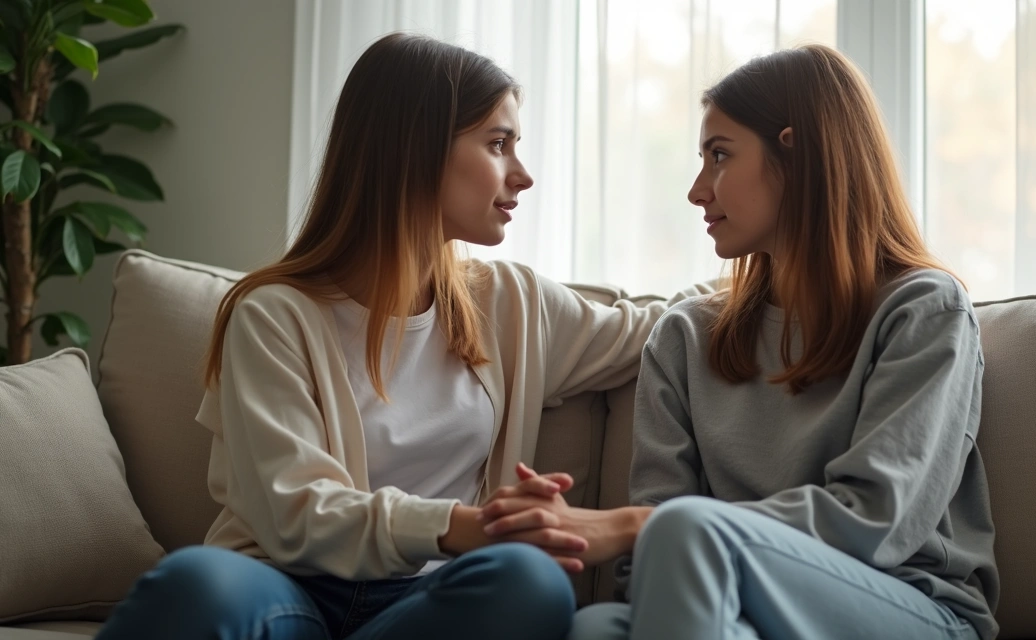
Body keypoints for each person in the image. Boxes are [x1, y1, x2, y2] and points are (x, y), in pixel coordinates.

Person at [96, 33, 706, 640]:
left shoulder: (511, 302)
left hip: (428, 601)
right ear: (413, 149)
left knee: (528, 580)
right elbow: (293, 512)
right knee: (195, 584)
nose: (522, 175)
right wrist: (465, 525)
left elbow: (665, 326)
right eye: (498, 144)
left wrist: (783, 259)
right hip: (287, 589)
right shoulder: (272, 316)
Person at [480, 44, 1000, 640]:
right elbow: (646, 560)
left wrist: (630, 527)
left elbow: (877, 523)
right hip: (720, 601)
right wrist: (654, 539)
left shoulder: (924, 310)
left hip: (905, 605)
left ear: (798, 155)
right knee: (597, 626)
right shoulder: (684, 336)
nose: (698, 191)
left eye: (719, 156)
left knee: (684, 531)